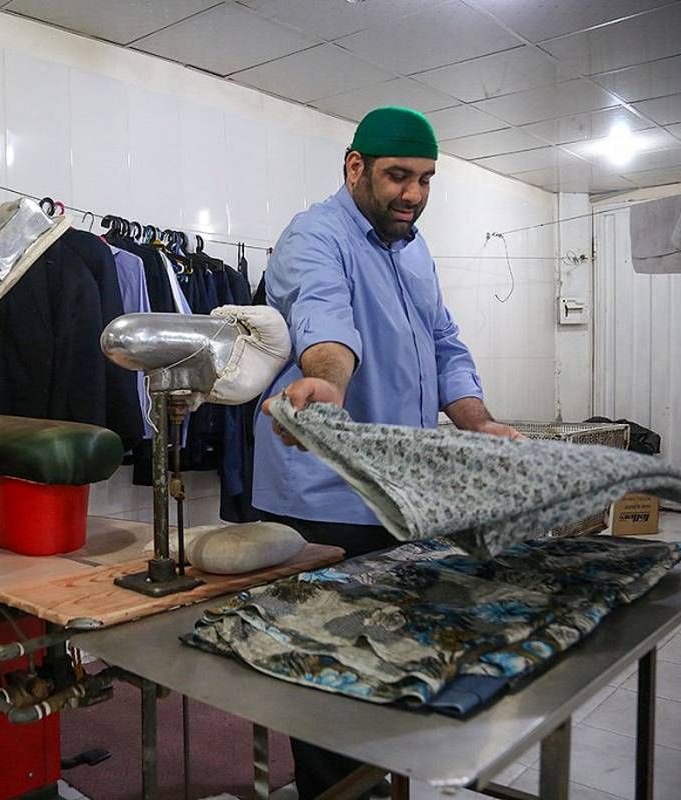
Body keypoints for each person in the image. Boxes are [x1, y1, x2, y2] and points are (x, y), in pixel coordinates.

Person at [251, 106, 521, 799]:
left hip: (398, 491)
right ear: (355, 167)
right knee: (328, 664)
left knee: (389, 651)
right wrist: (328, 385)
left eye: (426, 180)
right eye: (399, 176)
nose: (413, 194)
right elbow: (324, 320)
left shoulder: (414, 249)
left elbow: (444, 341)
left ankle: (376, 781)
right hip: (326, 494)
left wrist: (479, 423)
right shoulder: (315, 236)